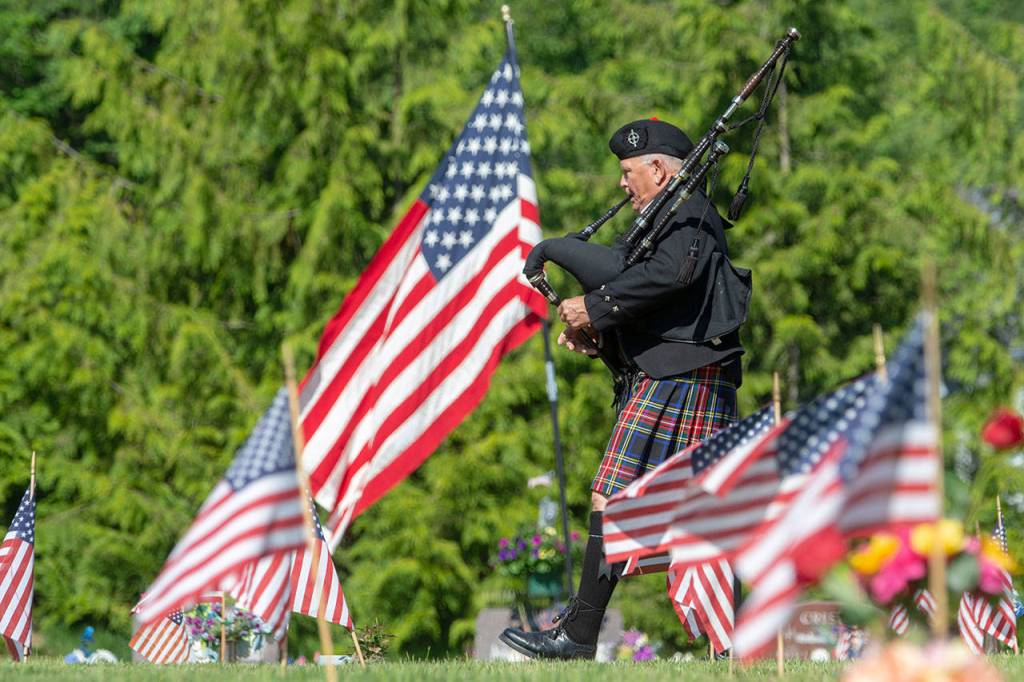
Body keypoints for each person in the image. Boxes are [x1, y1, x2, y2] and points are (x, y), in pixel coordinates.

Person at [500, 118, 744, 660]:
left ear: (658, 170)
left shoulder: (692, 217)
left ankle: (580, 636)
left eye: (629, 171)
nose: (622, 183)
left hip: (683, 378)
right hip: (678, 374)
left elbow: (667, 279)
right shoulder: (667, 221)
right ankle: (585, 634)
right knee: (689, 511)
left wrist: (589, 299)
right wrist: (600, 332)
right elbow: (646, 289)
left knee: (640, 502)